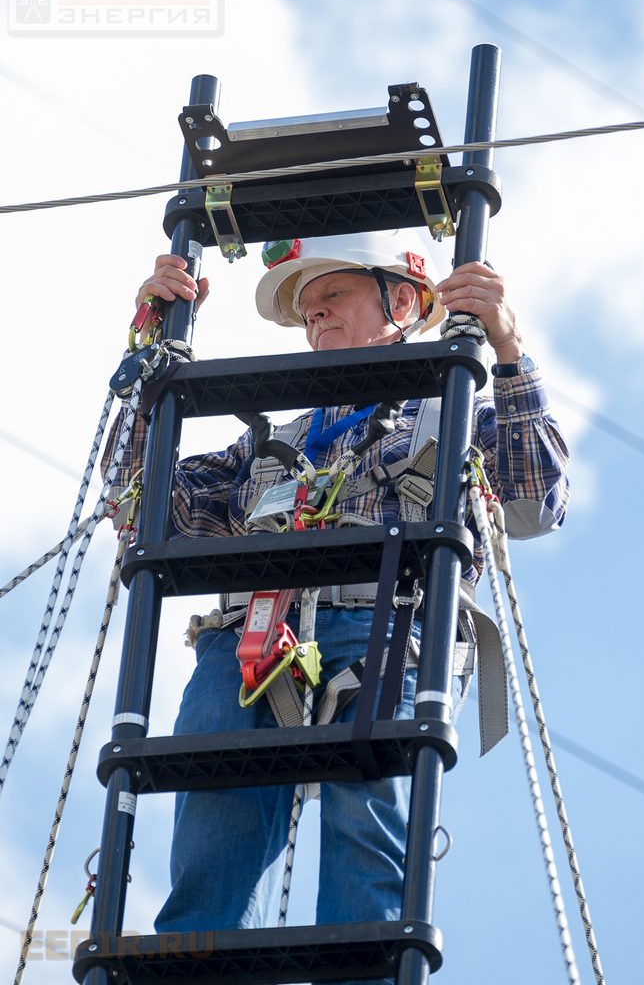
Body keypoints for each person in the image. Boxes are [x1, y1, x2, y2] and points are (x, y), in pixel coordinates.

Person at [104, 231, 569, 982]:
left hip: (385, 624)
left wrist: (506, 351)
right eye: (307, 313)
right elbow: (143, 508)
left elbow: (532, 495)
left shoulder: (448, 413)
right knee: (213, 823)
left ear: (406, 301)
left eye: (332, 299)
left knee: (365, 818)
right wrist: (149, 356)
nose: (316, 321)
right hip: (250, 643)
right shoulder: (264, 445)